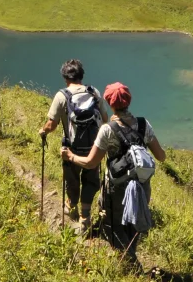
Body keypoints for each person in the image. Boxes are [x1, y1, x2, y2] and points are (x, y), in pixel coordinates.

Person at [61, 81, 165, 263]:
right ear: (129, 101)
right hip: (142, 186)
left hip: (117, 189)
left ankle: (130, 264)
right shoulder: (143, 124)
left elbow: (90, 162)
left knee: (112, 225)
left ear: (110, 103)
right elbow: (161, 156)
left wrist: (70, 156)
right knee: (133, 223)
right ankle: (130, 254)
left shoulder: (107, 130)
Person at [39, 59, 109, 235]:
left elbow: (52, 124)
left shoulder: (61, 95)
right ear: (81, 76)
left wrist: (43, 132)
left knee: (72, 179)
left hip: (71, 148)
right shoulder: (94, 92)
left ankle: (71, 207)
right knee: (91, 180)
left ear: (65, 77)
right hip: (94, 147)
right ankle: (85, 217)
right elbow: (105, 118)